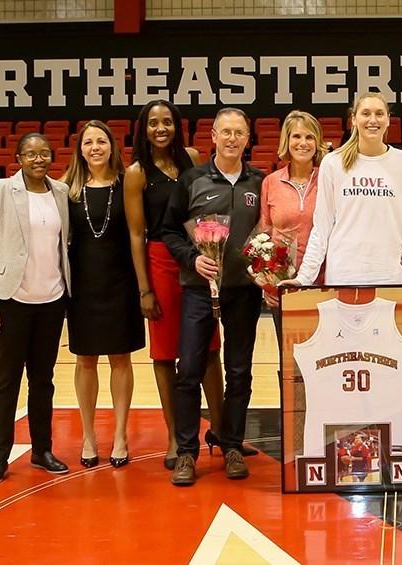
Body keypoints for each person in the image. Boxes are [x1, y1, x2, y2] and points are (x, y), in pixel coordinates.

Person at [124, 99, 230, 471]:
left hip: (197, 256)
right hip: (161, 262)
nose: (160, 128)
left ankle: (220, 429)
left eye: (166, 121)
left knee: (210, 345)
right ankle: (175, 435)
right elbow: (137, 233)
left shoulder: (191, 156)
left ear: (177, 125)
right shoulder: (137, 172)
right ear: (144, 129)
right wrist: (145, 289)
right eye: (153, 123)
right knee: (167, 353)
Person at [162, 107, 265, 485]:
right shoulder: (192, 179)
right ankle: (187, 452)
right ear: (214, 137)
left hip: (243, 291)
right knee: (188, 370)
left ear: (248, 138)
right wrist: (193, 258)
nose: (233, 138)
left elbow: (268, 235)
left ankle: (232, 444)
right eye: (226, 132)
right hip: (198, 290)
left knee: (239, 372)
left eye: (240, 132)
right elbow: (170, 232)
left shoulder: (259, 181)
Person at [0, 133, 71, 485]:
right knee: (6, 380)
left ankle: (42, 450)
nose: (38, 159)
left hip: (51, 300)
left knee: (43, 381)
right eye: (31, 154)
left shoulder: (60, 192)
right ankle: (0, 455)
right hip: (11, 300)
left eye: (44, 153)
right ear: (18, 158)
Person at [63, 120, 144, 468]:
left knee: (121, 360)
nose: (94, 147)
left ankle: (121, 434)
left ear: (112, 146)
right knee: (85, 361)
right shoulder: (66, 189)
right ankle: (88, 435)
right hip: (82, 288)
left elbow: (139, 233)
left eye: (101, 141)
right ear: (79, 149)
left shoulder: (127, 184)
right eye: (88, 142)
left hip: (121, 285)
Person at [287, 92, 402, 286]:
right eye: (366, 113)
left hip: (390, 274)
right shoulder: (333, 162)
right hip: (343, 274)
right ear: (354, 119)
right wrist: (304, 278)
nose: (373, 120)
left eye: (379, 114)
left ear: (388, 120)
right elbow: (322, 228)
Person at [259, 110, 328, 336]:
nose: (303, 143)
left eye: (309, 137)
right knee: (288, 361)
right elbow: (264, 235)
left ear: (317, 142)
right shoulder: (271, 182)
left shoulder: (329, 179)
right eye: (296, 136)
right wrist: (267, 281)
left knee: (324, 359)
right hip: (284, 287)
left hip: (324, 284)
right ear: (286, 141)